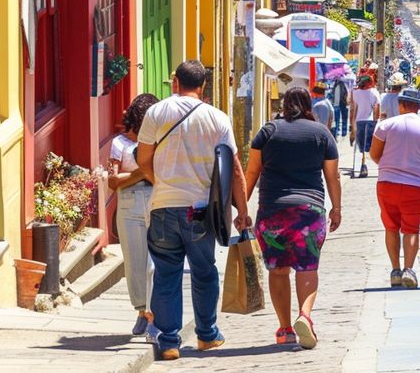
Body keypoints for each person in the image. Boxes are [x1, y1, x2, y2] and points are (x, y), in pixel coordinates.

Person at [135, 60, 249, 361]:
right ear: (203, 86)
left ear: (176, 82)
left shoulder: (156, 112)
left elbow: (143, 157)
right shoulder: (217, 118)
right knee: (204, 271)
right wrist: (243, 211)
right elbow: (235, 169)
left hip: (162, 206)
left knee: (166, 273)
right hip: (199, 209)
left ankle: (169, 341)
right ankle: (207, 335)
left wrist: (158, 180)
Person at [243, 87, 342, 349]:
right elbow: (333, 176)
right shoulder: (321, 133)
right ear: (309, 105)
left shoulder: (268, 131)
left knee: (278, 270)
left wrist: (242, 210)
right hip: (309, 212)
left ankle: (285, 329)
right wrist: (337, 208)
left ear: (285, 104)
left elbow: (251, 173)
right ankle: (305, 316)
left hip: (272, 212)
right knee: (307, 267)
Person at [370, 87, 420, 289]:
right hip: (415, 186)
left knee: (391, 227)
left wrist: (390, 165)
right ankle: (409, 270)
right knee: (411, 230)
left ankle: (395, 271)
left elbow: (375, 154)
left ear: (400, 105)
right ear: (418, 106)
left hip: (387, 184)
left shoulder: (386, 126)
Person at [108, 93, 160, 338]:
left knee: (153, 265)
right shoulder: (119, 143)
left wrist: (133, 176)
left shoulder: (158, 142)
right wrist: (142, 171)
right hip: (128, 205)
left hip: (155, 201)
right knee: (134, 264)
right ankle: (141, 310)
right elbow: (112, 181)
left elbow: (157, 177)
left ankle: (153, 315)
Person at [350, 75, 381, 178]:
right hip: (371, 121)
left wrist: (352, 126)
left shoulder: (355, 93)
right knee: (369, 145)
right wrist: (377, 120)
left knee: (361, 146)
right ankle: (366, 165)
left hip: (359, 121)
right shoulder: (374, 92)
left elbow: (353, 108)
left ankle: (363, 165)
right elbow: (377, 107)